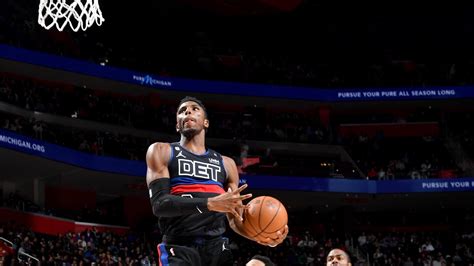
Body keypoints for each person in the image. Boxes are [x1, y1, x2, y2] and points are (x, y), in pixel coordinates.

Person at [146, 96, 288, 265]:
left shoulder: (227, 164)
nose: (188, 111)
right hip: (179, 245)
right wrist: (209, 203)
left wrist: (261, 236)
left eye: (194, 109)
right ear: (177, 125)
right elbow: (160, 204)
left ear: (206, 123)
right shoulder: (162, 150)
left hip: (216, 248)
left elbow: (234, 220)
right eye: (182, 111)